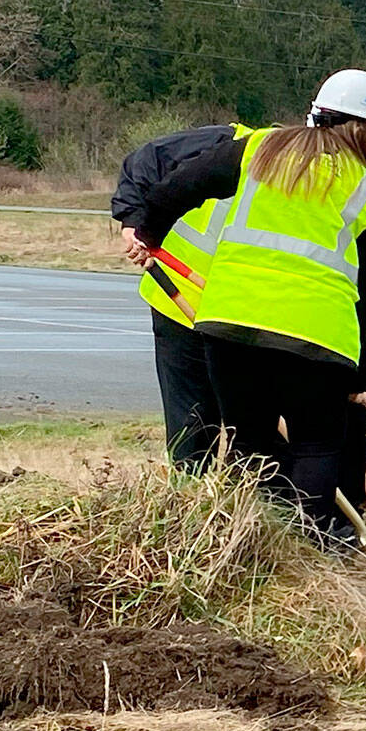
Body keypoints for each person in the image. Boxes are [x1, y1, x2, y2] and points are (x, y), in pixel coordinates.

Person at [129, 69, 366, 540]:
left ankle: (259, 542)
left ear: (316, 114)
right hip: (317, 336)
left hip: (228, 324)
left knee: (249, 440)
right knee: (316, 446)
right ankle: (310, 548)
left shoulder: (261, 149)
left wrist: (148, 231)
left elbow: (179, 184)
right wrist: (358, 361)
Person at [113, 122, 252, 473]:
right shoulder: (228, 141)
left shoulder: (320, 180)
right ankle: (189, 508)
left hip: (244, 316)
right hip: (178, 299)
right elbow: (145, 162)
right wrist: (134, 223)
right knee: (192, 423)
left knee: (249, 427)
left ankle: (247, 511)